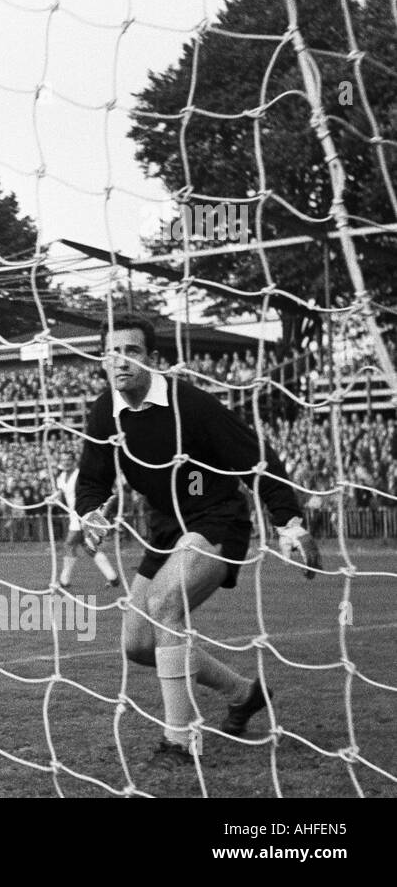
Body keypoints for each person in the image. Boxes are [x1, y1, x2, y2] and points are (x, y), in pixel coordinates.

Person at [75, 315, 321, 766]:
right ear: (103, 360)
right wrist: (91, 511)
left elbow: (256, 459)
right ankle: (243, 694)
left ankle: (179, 742)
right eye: (113, 352)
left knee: (167, 602)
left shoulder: (189, 403)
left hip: (217, 520)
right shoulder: (103, 410)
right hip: (166, 529)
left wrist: (288, 522)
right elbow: (91, 480)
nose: (122, 360)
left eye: (132, 351)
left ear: (151, 359)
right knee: (136, 645)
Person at [55, 454, 119, 589]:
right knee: (88, 547)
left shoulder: (80, 475)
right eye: (63, 460)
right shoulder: (60, 477)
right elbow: (61, 495)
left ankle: (64, 580)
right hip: (73, 514)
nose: (66, 463)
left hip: (84, 512)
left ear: (74, 461)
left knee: (69, 544)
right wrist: (54, 498)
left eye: (68, 460)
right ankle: (112, 577)